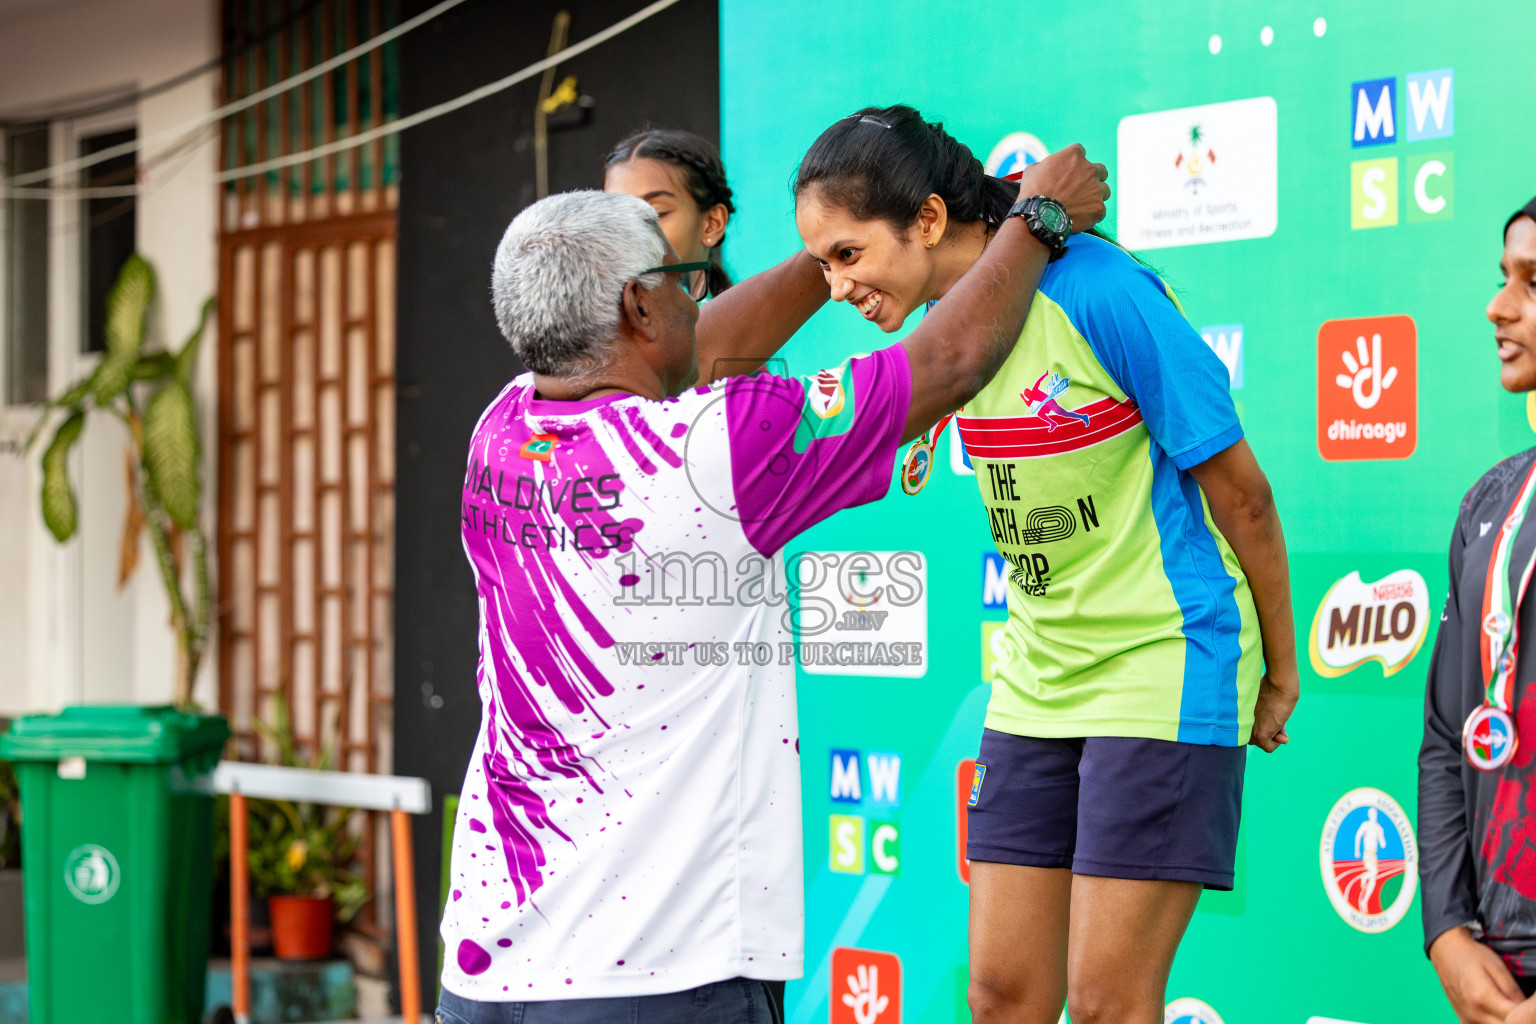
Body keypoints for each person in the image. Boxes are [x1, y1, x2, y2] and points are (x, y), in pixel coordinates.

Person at [436, 147, 1110, 1022]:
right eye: (686, 280)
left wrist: (833, 239)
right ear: (640, 305)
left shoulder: (503, 427)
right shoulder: (712, 452)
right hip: (658, 981)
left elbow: (703, 344)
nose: (700, 298)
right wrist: (1039, 220)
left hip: (490, 971)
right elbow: (948, 363)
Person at [792, 105, 1299, 1024]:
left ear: (932, 221)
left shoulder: (1102, 292)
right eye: (823, 265)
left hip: (1163, 659)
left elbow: (1245, 495)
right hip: (1036, 678)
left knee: (1108, 1005)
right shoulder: (950, 339)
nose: (835, 289)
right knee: (1001, 999)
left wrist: (1279, 669)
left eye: (848, 255)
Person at [1420, 196, 1536, 1024]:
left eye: (1534, 283)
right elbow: (1446, 733)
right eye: (1504, 278)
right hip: (1497, 965)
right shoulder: (1491, 502)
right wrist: (1449, 932)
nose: (1498, 305)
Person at [604, 129, 734, 300]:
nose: (631, 234)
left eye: (656, 213)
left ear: (712, 223)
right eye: (616, 219)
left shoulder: (746, 323)